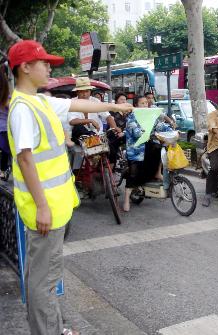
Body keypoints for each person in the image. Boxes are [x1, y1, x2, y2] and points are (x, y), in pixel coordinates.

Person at [6, 39, 133, 335]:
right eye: (44, 62)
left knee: (46, 276)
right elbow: (25, 160)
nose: (49, 67)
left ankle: (52, 327)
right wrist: (41, 207)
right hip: (45, 211)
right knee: (43, 281)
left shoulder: (39, 100)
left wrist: (114, 104)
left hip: (55, 207)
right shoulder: (23, 108)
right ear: (25, 67)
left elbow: (79, 103)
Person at [69, 77, 122, 143]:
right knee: (78, 127)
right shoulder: (72, 102)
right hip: (80, 140)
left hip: (98, 136)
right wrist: (90, 121)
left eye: (86, 91)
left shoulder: (95, 101)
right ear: (77, 92)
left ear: (90, 91)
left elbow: (107, 116)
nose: (84, 94)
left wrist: (114, 127)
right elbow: (72, 121)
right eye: (81, 92)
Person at [0, 60, 10, 180]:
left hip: (3, 129)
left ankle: (3, 171)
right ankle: (3, 171)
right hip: (4, 129)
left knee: (5, 151)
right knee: (6, 151)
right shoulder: (6, 97)